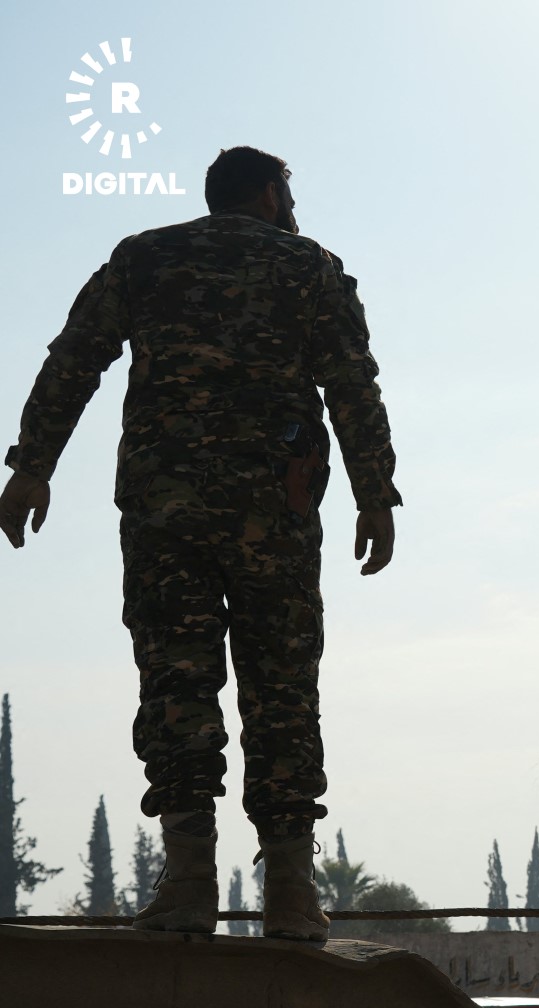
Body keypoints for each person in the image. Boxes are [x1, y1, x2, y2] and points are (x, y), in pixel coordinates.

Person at [0, 146, 401, 940]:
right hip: (273, 514)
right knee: (281, 687)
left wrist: (31, 468)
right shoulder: (308, 267)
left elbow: (74, 359)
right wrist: (374, 491)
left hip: (167, 512)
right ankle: (290, 891)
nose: (293, 207)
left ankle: (188, 885)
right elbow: (353, 383)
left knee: (176, 683)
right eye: (288, 192)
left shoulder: (144, 259)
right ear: (267, 193)